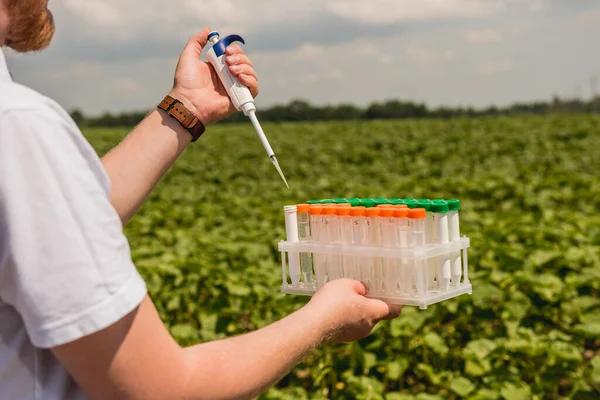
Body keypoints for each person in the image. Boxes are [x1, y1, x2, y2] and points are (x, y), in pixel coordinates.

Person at [0, 1, 402, 399]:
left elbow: (63, 223)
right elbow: (165, 389)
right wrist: (324, 319)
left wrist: (188, 107)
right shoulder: (18, 124)